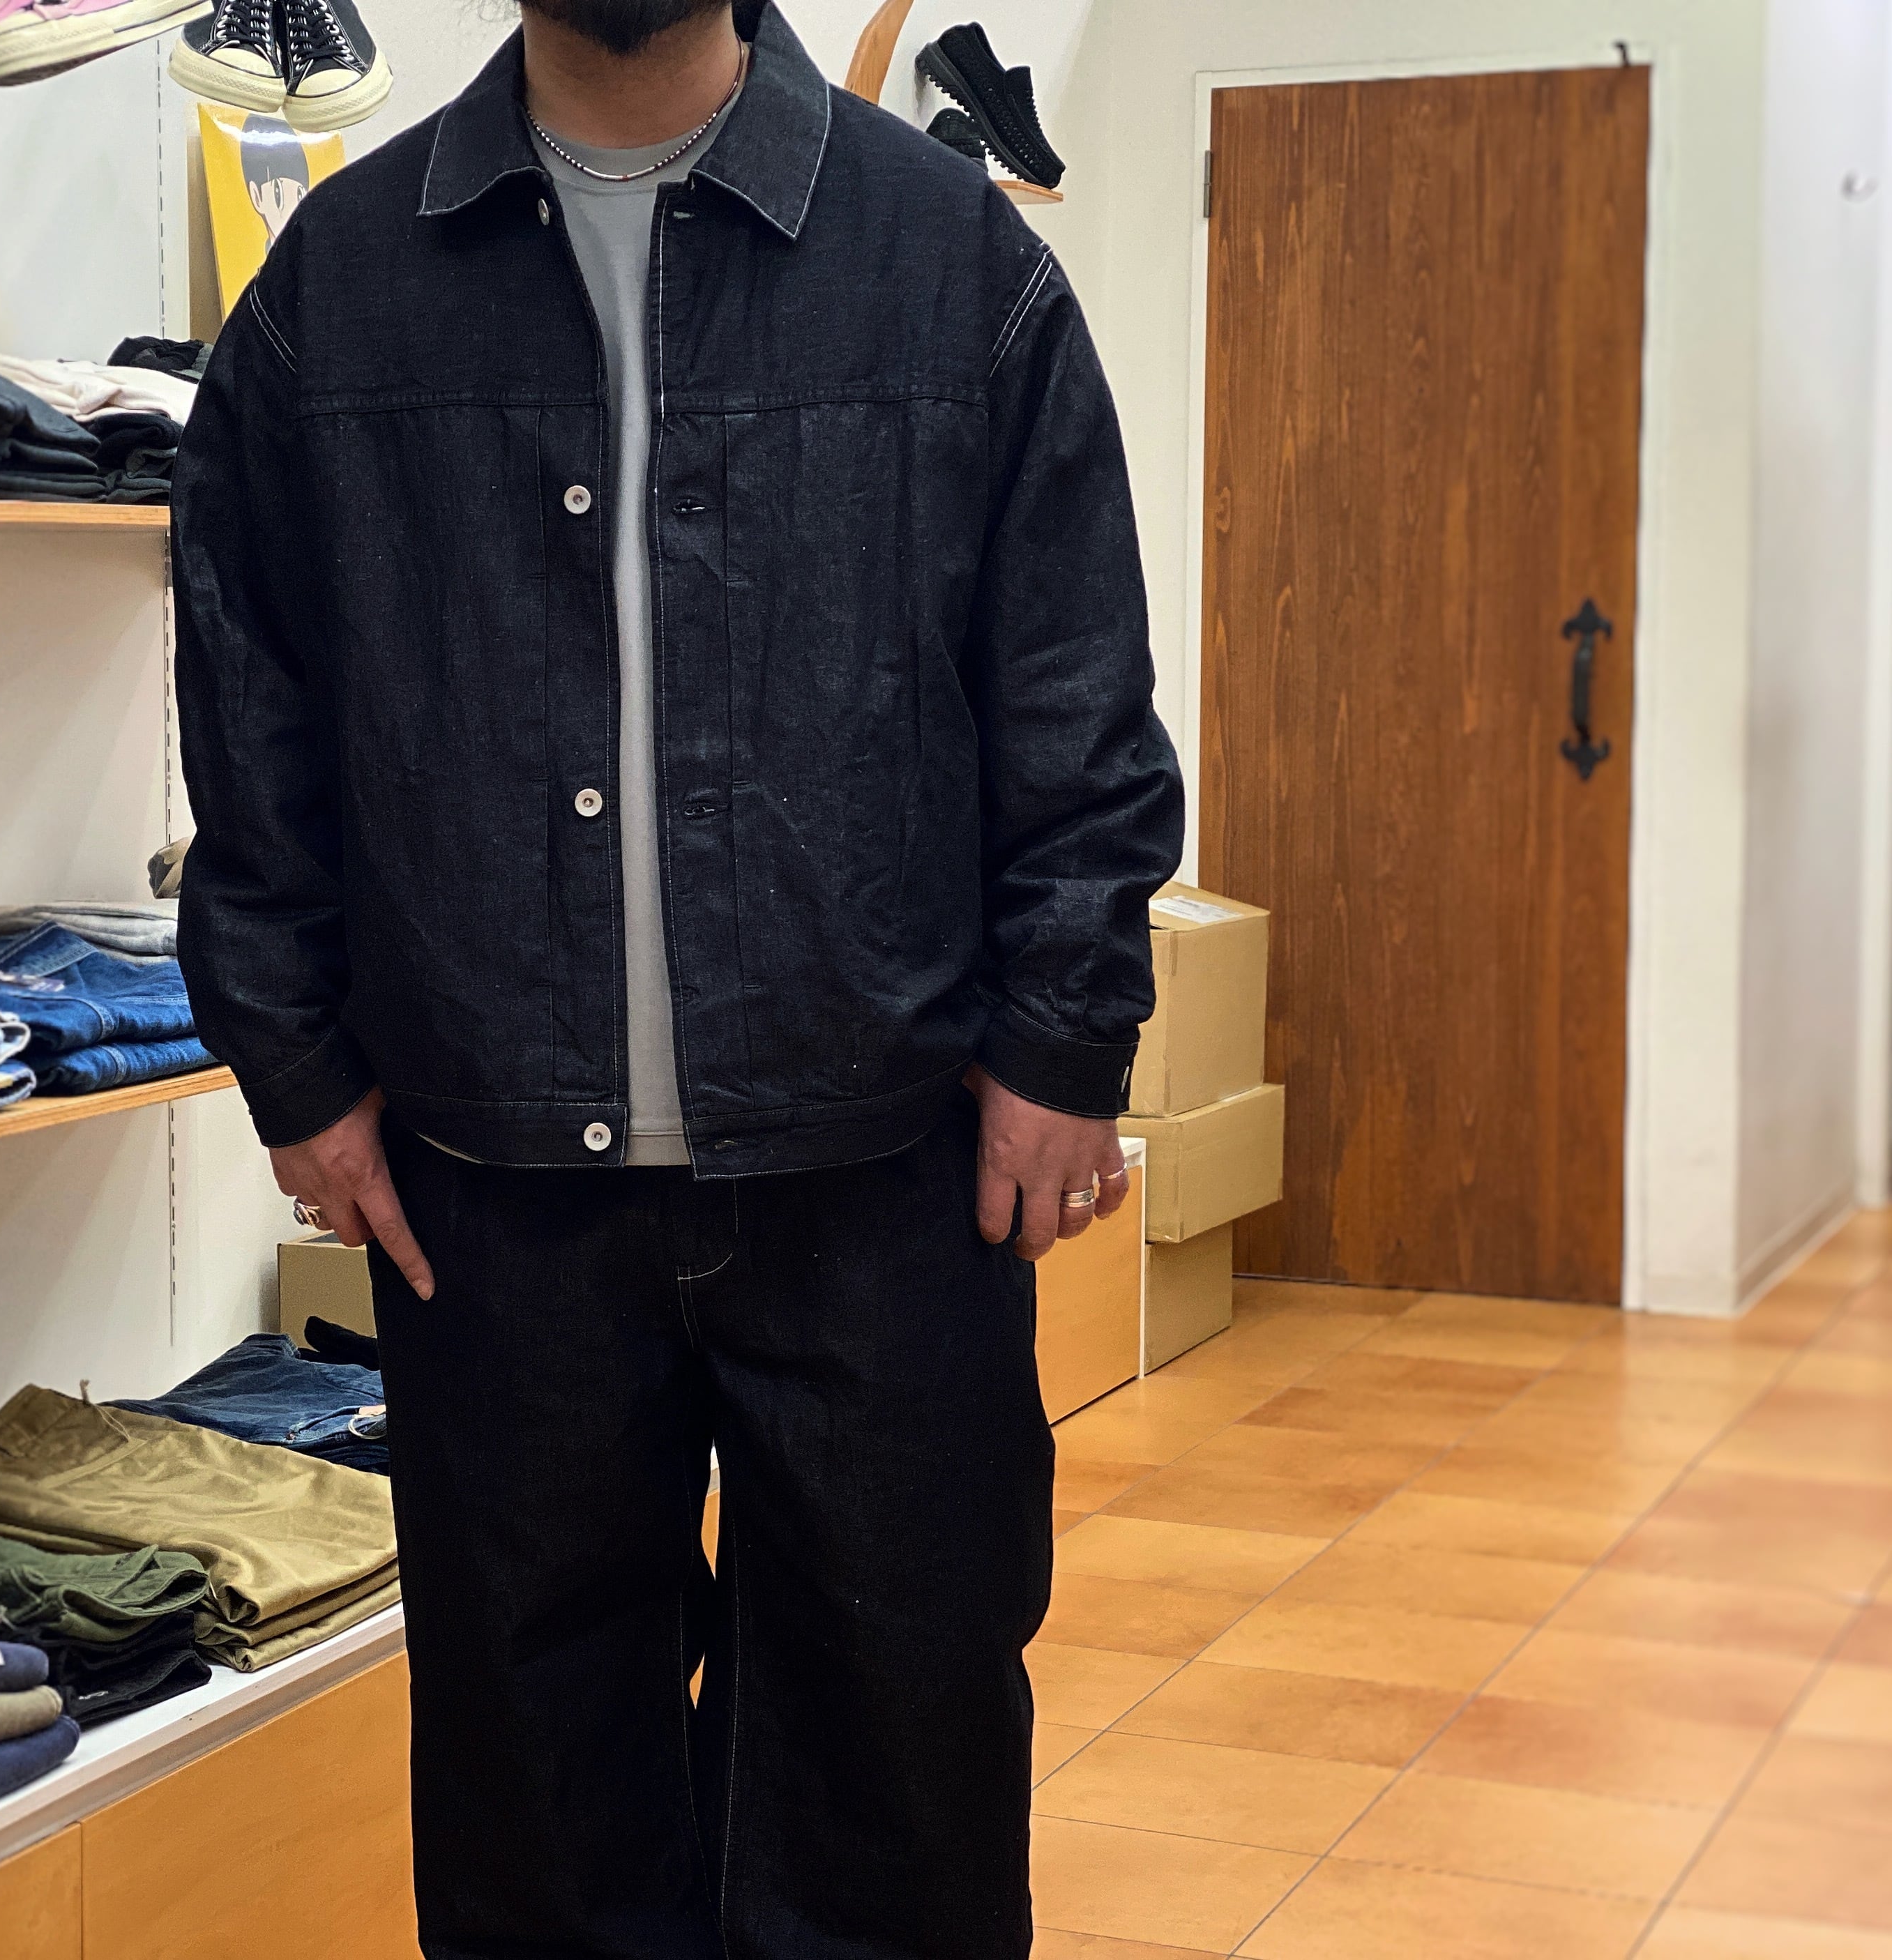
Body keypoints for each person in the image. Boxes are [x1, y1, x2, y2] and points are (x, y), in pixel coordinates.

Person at [169, 0, 1183, 1947]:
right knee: (538, 1820)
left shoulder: (942, 255)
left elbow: (1072, 681)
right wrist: (292, 1065)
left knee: (898, 1794)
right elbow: (251, 702)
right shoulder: (344, 288)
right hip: (486, 1198)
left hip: (884, 1170)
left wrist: (1068, 1037)